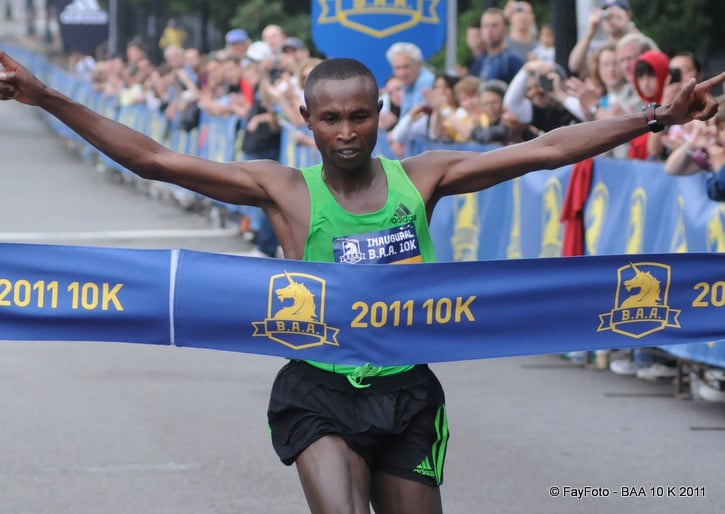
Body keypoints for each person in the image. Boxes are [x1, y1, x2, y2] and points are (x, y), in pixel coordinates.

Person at [1, 50, 722, 514]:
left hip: (406, 392)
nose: (345, 132)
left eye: (358, 116)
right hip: (316, 389)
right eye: (329, 119)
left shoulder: (424, 177)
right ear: (307, 123)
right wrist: (47, 99)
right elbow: (155, 159)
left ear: (379, 116)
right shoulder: (282, 188)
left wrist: (655, 116)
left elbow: (547, 150)